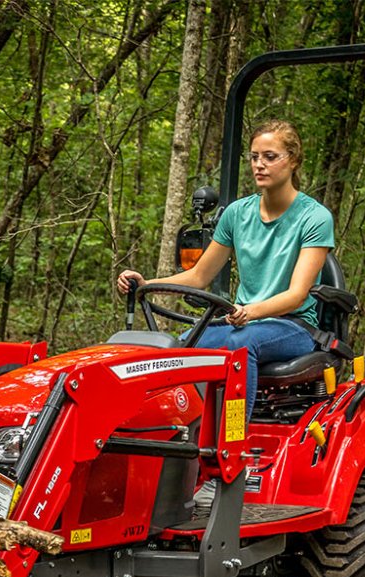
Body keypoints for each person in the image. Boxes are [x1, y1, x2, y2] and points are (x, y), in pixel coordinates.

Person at [116, 120, 335, 421]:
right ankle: (179, 432)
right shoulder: (237, 214)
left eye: (270, 157)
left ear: (293, 160)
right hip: (244, 322)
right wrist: (147, 282)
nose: (260, 164)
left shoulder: (314, 217)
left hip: (293, 326)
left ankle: (232, 439)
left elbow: (296, 295)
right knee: (180, 344)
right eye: (255, 156)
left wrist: (251, 311)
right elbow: (199, 276)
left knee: (239, 345)